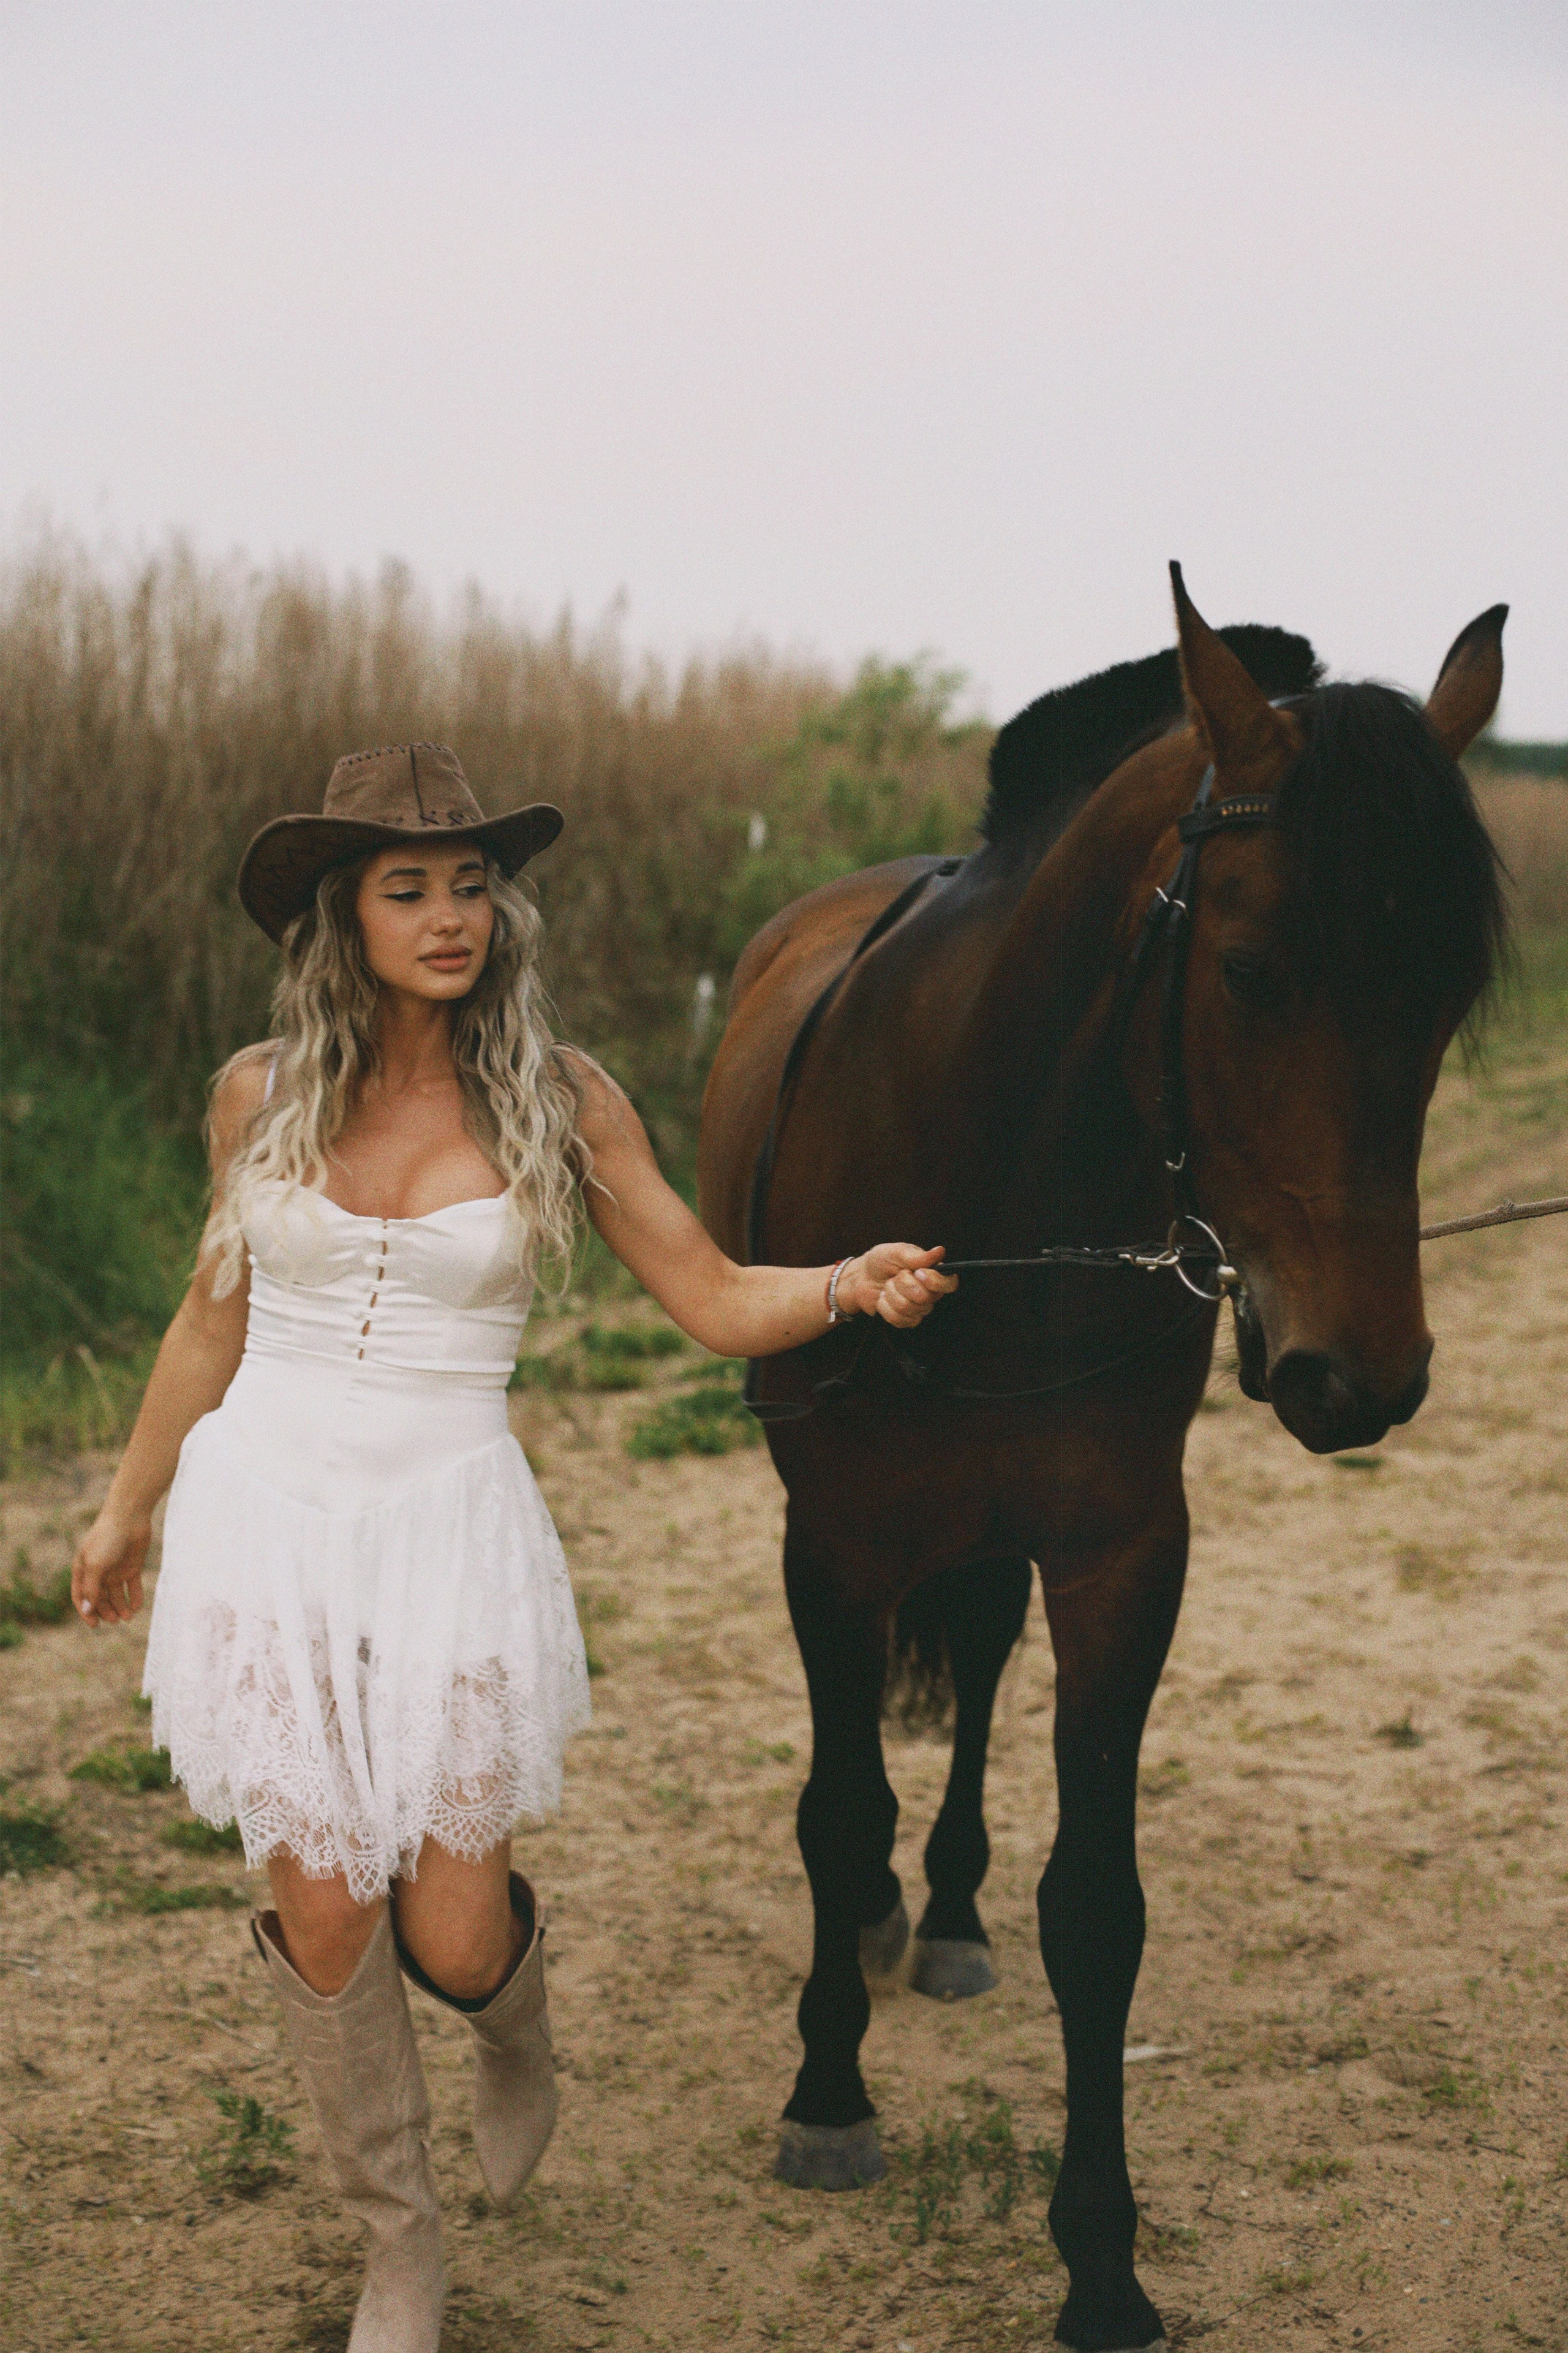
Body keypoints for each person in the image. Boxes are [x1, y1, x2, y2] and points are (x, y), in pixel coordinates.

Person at [71, 742, 955, 2353]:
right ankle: (398, 2248)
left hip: (450, 1531)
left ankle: (513, 2025)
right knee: (332, 1911)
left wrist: (846, 1282)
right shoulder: (255, 1095)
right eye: (410, 886)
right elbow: (214, 1321)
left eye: (472, 880)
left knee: (451, 1928)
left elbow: (708, 1291)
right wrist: (129, 1504)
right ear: (343, 911)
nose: (451, 913)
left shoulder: (564, 1098)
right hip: (266, 1522)